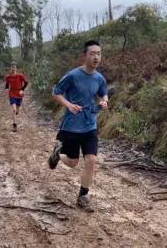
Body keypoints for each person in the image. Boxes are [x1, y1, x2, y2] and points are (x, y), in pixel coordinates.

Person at [48, 40, 109, 209]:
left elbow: (104, 94)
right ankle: (58, 153)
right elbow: (56, 93)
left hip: (90, 124)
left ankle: (83, 195)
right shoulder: (73, 76)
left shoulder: (99, 78)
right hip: (71, 125)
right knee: (73, 162)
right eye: (92, 53)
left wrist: (104, 102)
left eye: (99, 53)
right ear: (84, 56)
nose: (96, 57)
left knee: (91, 159)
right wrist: (68, 105)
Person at [5, 62, 28, 132]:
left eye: (14, 67)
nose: (13, 68)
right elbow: (7, 84)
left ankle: (17, 110)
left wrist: (22, 89)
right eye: (12, 67)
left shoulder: (20, 75)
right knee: (14, 109)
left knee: (17, 109)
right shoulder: (8, 76)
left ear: (16, 68)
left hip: (19, 94)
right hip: (12, 94)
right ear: (10, 68)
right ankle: (14, 125)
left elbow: (26, 82)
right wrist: (6, 89)